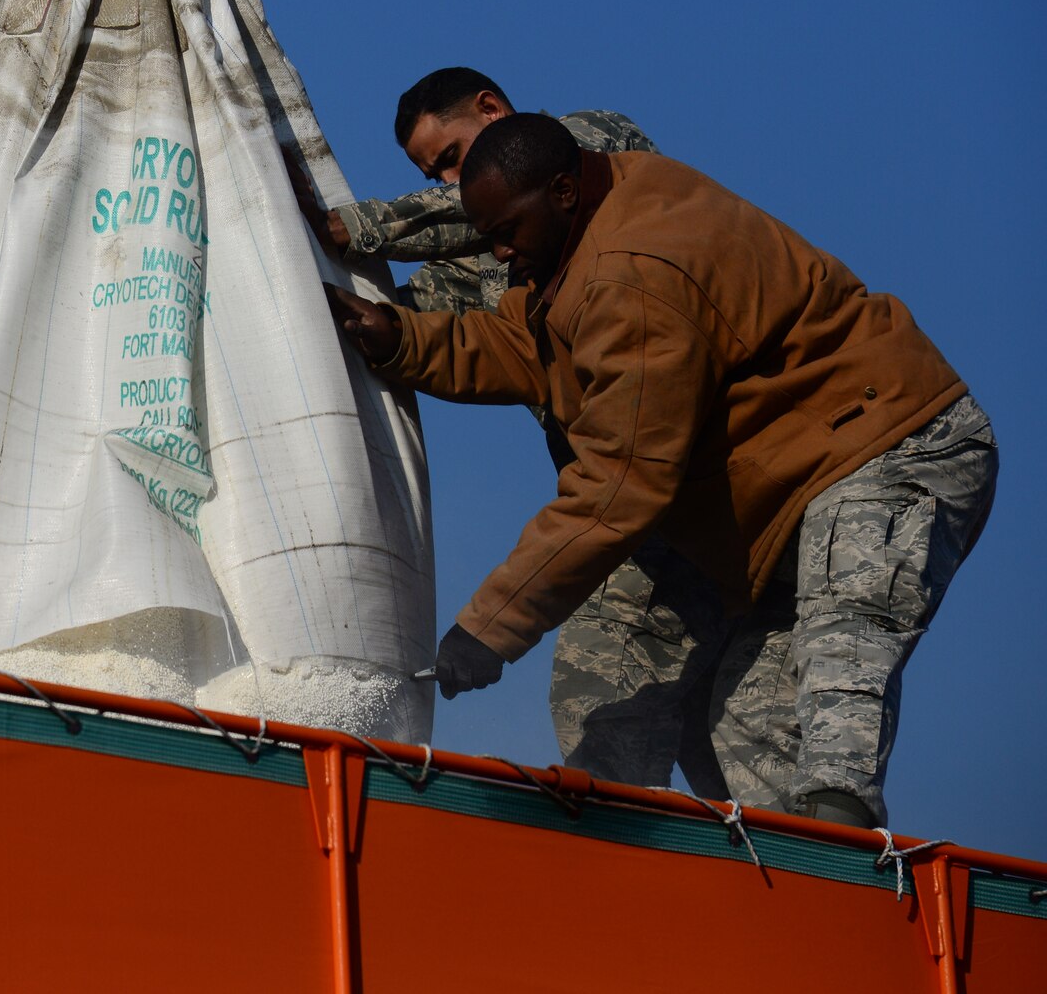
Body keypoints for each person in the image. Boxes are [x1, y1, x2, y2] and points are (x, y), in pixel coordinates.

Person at [323, 113, 996, 826]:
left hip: (889, 445)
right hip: (788, 503)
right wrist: (401, 339)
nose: (496, 253)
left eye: (505, 232)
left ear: (561, 190)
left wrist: (488, 628)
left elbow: (619, 487)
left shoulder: (633, 274)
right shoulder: (588, 226)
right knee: (744, 723)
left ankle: (835, 845)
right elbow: (524, 344)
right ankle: (791, 888)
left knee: (840, 651)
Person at [292, 68, 727, 796]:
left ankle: (612, 869)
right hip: (648, 513)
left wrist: (351, 225)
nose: (457, 185)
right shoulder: (500, 264)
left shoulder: (594, 151)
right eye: (439, 174)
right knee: (710, 737)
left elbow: (458, 214)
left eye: (453, 159)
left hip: (672, 485)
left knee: (603, 694)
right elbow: (409, 323)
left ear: (492, 109)